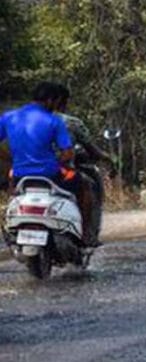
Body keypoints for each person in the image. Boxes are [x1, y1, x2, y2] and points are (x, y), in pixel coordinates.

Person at [0, 82, 100, 245]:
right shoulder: (54, 120)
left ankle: (11, 227)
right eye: (58, 102)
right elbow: (68, 153)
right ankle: (86, 234)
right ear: (52, 100)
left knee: (13, 195)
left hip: (20, 176)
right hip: (51, 175)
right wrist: (53, 161)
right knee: (85, 187)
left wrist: (11, 159)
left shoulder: (9, 117)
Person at [54, 85, 111, 241]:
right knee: (86, 188)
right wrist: (105, 156)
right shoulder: (71, 123)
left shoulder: (25, 121)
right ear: (61, 102)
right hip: (58, 173)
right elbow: (91, 149)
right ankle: (86, 233)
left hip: (24, 171)